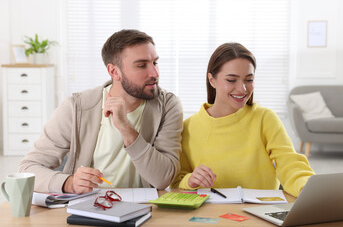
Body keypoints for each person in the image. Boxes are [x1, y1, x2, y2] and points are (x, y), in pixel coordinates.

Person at [18, 29, 183, 194]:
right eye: (141, 65)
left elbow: (163, 179)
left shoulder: (168, 105)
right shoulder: (76, 107)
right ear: (114, 72)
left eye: (155, 63)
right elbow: (28, 168)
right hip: (89, 207)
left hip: (143, 209)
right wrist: (69, 183)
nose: (154, 73)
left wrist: (126, 128)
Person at [171, 42, 314, 197]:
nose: (242, 89)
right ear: (212, 80)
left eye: (249, 79)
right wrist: (190, 181)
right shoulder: (189, 127)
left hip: (260, 213)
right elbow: (177, 183)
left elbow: (290, 163)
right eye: (231, 80)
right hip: (210, 215)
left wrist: (308, 189)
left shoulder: (265, 118)